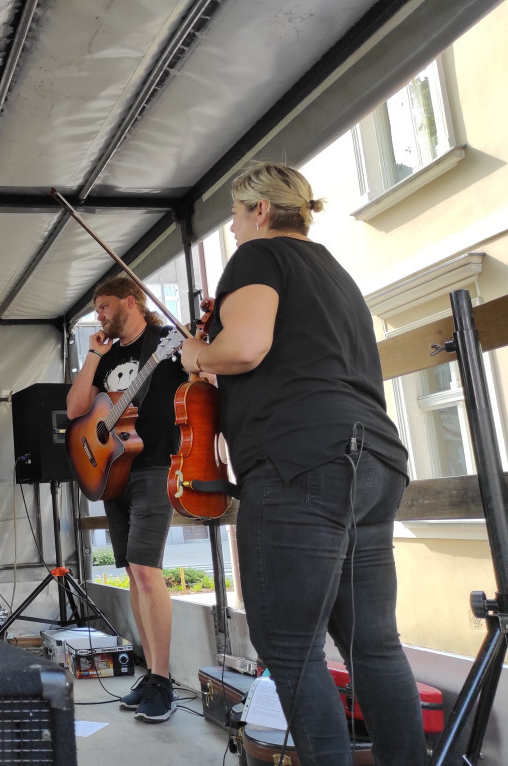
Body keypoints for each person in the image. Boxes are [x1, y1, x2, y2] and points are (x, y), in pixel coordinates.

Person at [179, 162, 425, 765]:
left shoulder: (259, 257)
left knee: (289, 646)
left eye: (236, 216)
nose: (233, 230)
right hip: (375, 461)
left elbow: (246, 346)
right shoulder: (337, 274)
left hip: (302, 464)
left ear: (260, 211)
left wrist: (198, 350)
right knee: (374, 645)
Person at [66, 277, 187, 723]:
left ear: (130, 302)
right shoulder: (107, 355)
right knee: (133, 575)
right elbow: (77, 408)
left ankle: (164, 679)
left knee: (146, 569)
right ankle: (152, 675)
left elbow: (203, 380)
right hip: (114, 473)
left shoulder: (165, 341)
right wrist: (94, 354)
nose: (99, 315)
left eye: (104, 306)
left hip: (156, 465)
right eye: (96, 309)